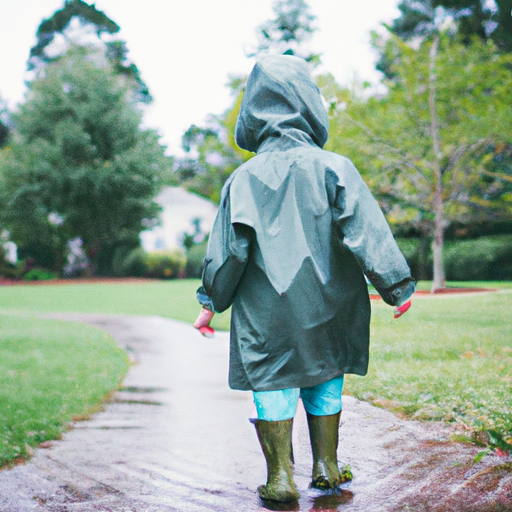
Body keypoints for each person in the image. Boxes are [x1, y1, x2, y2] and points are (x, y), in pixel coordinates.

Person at [194, 54, 415, 504]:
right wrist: (396, 287)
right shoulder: (337, 168)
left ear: (251, 112)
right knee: (326, 371)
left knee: (273, 380)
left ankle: (279, 477)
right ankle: (327, 466)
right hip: (331, 301)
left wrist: (209, 303)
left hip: (266, 311)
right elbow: (367, 231)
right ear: (311, 105)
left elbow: (228, 253)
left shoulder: (242, 179)